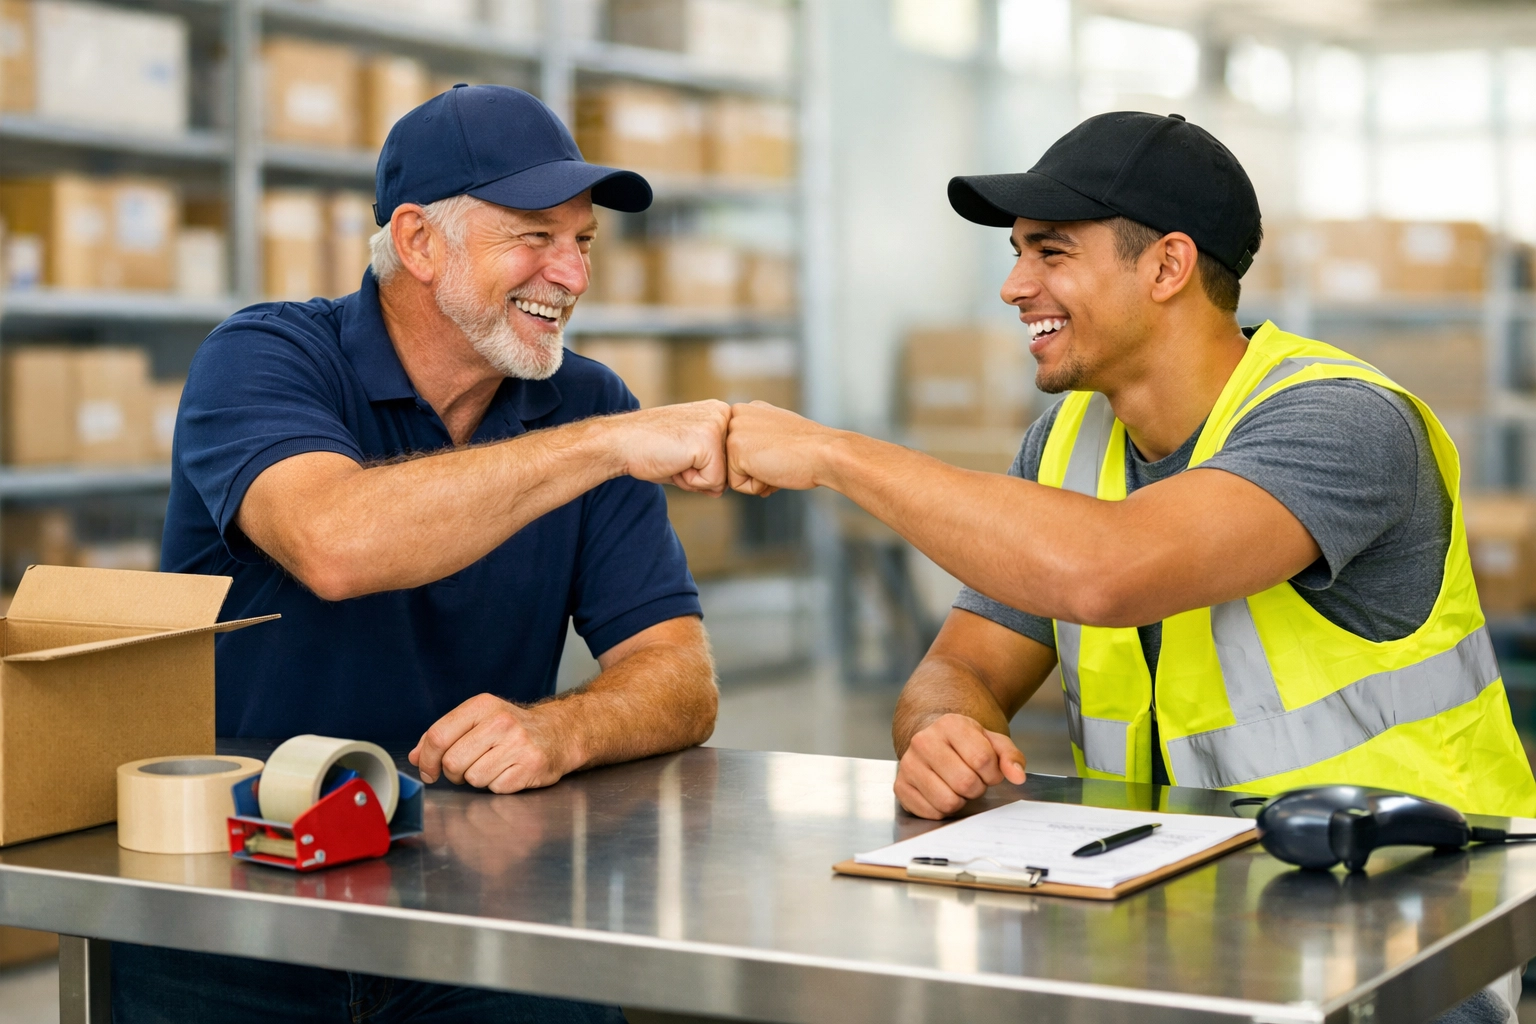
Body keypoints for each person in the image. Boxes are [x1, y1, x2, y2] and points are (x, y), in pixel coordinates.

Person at [724, 109, 1534, 1023]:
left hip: (1405, 916)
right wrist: (940, 729)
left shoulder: (1342, 422)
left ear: (1167, 266)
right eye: (1018, 252)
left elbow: (1109, 571)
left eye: (1051, 252)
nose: (1013, 285)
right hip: (1177, 911)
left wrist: (835, 454)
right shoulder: (1066, 443)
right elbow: (962, 667)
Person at [114, 84, 729, 1024]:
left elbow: (681, 677)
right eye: (534, 236)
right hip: (240, 914)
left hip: (482, 911)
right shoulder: (264, 356)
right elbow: (335, 542)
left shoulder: (587, 400)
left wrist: (564, 729)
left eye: (585, 242)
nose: (571, 275)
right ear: (417, 242)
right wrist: (602, 445)